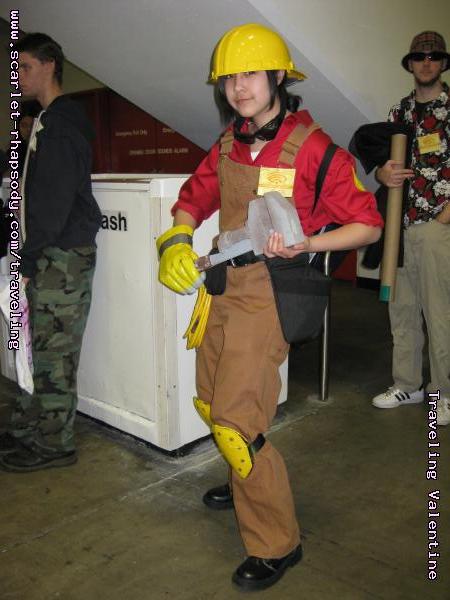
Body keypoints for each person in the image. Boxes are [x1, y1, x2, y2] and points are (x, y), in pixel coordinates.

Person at [156, 23, 382, 591]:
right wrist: (176, 240)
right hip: (222, 289)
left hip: (272, 295)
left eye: (251, 74)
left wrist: (309, 244)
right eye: (230, 78)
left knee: (237, 425)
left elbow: (367, 224)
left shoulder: (315, 150)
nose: (239, 88)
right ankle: (244, 483)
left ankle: (277, 542)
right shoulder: (229, 143)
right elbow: (193, 197)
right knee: (210, 400)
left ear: (279, 75)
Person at [0, 33, 102, 471]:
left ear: (49, 66)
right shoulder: (46, 121)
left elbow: (53, 205)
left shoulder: (60, 125)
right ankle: (29, 427)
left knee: (54, 354)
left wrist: (26, 256)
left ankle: (56, 443)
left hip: (61, 258)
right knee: (35, 347)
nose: (17, 77)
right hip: (48, 254)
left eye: (24, 67)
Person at [372, 31, 450, 426]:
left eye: (433, 56)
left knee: (441, 314)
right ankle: (407, 384)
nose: (426, 62)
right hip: (399, 228)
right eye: (420, 57)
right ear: (411, 64)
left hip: (438, 226)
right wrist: (382, 174)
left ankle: (444, 393)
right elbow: (383, 163)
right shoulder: (398, 112)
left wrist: (444, 217)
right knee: (401, 311)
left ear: (443, 63)